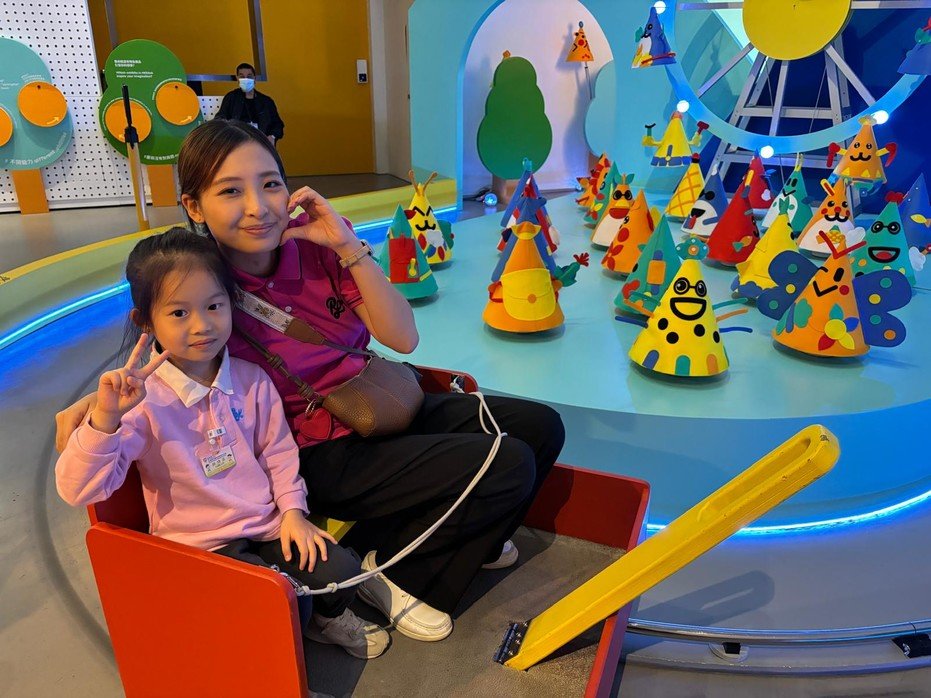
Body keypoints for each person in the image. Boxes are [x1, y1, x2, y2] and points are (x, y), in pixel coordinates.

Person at [55, 119, 566, 643]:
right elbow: (169, 349)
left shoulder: (320, 244)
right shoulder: (206, 285)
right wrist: (98, 406)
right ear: (194, 206)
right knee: (507, 463)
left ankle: (469, 535)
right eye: (230, 191)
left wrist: (348, 246)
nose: (258, 207)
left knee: (540, 427)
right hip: (317, 452)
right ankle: (396, 574)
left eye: (270, 183)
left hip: (374, 402)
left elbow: (404, 337)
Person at [55, 228, 389, 660]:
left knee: (339, 568)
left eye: (214, 306)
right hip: (200, 549)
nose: (202, 325)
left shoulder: (252, 380)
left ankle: (323, 620)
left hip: (266, 526)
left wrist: (293, 513)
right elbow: (78, 490)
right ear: (145, 321)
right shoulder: (141, 404)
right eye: (179, 312)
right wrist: (105, 419)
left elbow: (278, 453)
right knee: (281, 606)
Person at [215, 62, 284, 146]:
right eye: (242, 77)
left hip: (261, 142)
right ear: (237, 78)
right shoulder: (231, 98)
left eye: (249, 76)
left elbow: (278, 125)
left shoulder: (266, 101)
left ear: (254, 78)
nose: (246, 79)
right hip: (237, 142)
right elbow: (220, 119)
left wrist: (272, 136)